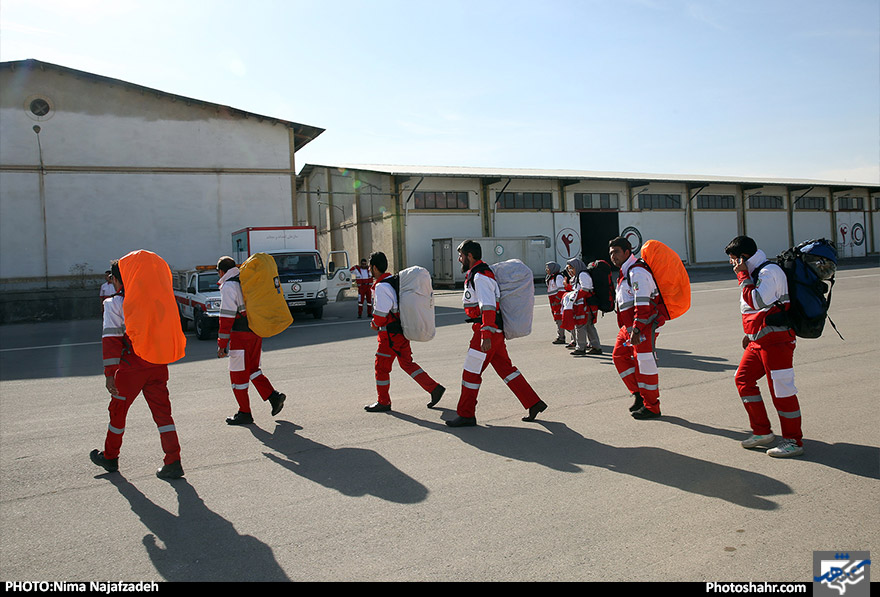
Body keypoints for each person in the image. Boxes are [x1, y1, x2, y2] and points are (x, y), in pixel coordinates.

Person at [89, 260, 184, 479]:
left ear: (117, 279)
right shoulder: (155, 300)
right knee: (163, 413)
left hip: (131, 368)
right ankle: (173, 460)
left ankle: (110, 457)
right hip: (157, 364)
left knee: (118, 413)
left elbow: (111, 340)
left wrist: (109, 374)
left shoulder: (114, 303)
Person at [447, 240, 547, 427]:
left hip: (487, 331)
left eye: (461, 256)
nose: (459, 260)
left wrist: (485, 334)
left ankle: (466, 414)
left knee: (470, 373)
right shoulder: (480, 273)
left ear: (470, 256)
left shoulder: (480, 276)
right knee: (506, 370)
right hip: (494, 332)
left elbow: (488, 306)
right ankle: (533, 402)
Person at [725, 236, 804, 457]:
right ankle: (762, 432)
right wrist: (748, 335)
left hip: (777, 342)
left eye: (733, 260)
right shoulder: (754, 273)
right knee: (743, 379)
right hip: (758, 341)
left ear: (743, 258)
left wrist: (742, 275)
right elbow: (752, 310)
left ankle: (793, 441)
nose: (732, 265)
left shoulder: (769, 272)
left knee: (782, 391)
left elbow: (758, 301)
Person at [364, 252, 445, 412]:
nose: (369, 270)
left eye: (369, 267)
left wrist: (374, 323)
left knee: (381, 368)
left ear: (374, 268)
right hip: (400, 332)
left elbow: (381, 313)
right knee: (407, 364)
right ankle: (434, 388)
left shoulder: (381, 287)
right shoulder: (392, 283)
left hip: (389, 337)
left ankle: (384, 401)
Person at [216, 256, 286, 425]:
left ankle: (244, 412)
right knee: (253, 368)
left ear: (221, 271)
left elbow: (226, 318)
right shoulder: (246, 279)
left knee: (238, 374)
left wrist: (222, 345)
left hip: (240, 335)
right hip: (255, 330)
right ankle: (273, 396)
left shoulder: (228, 286)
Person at [608, 237, 665, 420]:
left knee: (645, 365)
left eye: (616, 252)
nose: (613, 256)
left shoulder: (637, 272)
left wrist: (638, 329)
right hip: (630, 326)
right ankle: (639, 395)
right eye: (610, 253)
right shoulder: (626, 271)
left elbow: (643, 304)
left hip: (642, 326)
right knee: (619, 356)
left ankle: (652, 407)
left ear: (627, 252)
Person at [565, 258, 602, 355]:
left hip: (586, 306)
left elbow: (586, 289)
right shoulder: (578, 276)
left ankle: (581, 348)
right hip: (584, 305)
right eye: (568, 269)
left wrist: (574, 297)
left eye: (571, 268)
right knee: (589, 326)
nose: (570, 271)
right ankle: (596, 347)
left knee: (580, 326)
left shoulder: (582, 275)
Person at [545, 262, 568, 345]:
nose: (546, 270)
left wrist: (556, 301)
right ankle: (561, 336)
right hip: (554, 303)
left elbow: (561, 290)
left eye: (548, 268)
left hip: (557, 302)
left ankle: (562, 337)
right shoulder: (550, 278)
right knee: (558, 319)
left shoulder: (558, 277)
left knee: (560, 319)